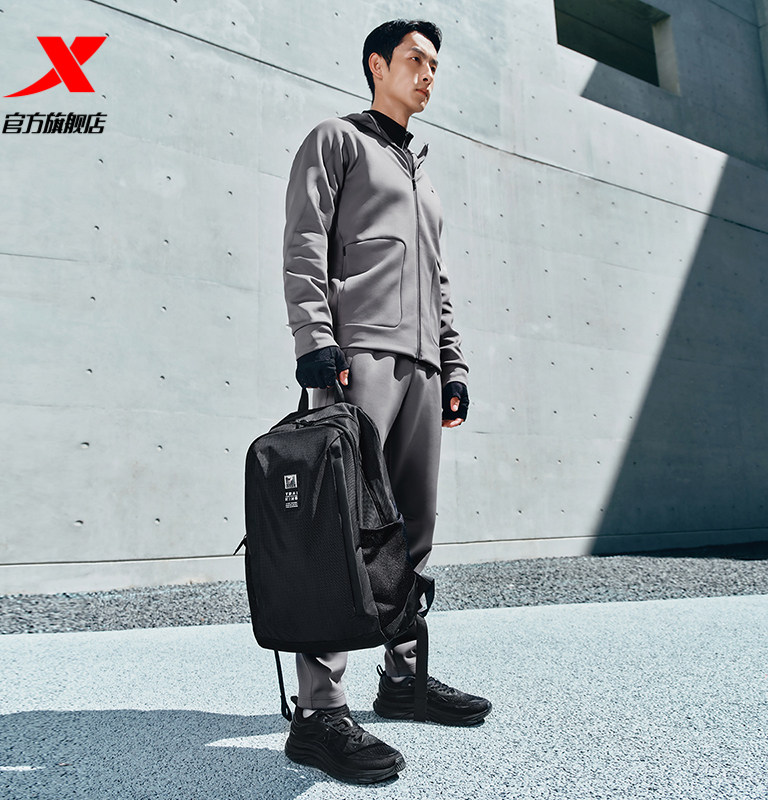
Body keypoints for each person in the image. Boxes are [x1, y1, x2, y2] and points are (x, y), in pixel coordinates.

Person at [280, 18, 492, 784]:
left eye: (436, 65)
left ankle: (403, 678)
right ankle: (319, 713)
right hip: (358, 354)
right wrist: (315, 339)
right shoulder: (336, 141)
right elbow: (305, 241)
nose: (429, 74)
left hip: (423, 366)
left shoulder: (421, 175)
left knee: (412, 529)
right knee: (341, 527)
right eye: (415, 60)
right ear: (378, 64)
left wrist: (453, 362)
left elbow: (438, 280)